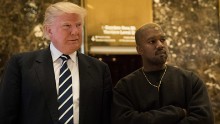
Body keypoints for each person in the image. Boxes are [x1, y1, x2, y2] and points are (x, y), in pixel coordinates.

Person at [0, 2, 112, 124]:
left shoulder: (100, 69)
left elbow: (106, 117)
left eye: (78, 25)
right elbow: (6, 115)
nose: (75, 31)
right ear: (49, 30)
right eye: (67, 26)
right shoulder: (21, 65)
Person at [111, 23, 214, 124]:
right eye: (152, 41)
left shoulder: (190, 81)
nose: (160, 45)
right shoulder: (125, 87)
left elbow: (204, 119)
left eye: (163, 40)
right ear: (139, 49)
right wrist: (177, 113)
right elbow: (123, 120)